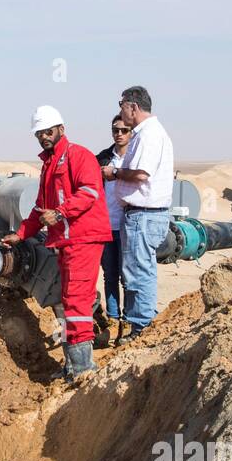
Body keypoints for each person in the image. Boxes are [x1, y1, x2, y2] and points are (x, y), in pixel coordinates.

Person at [0, 105, 111, 380]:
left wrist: (61, 213)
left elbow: (90, 192)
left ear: (61, 129)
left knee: (76, 300)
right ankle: (73, 366)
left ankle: (83, 368)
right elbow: (40, 207)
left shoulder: (79, 156)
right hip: (64, 241)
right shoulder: (49, 164)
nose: (44, 137)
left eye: (48, 131)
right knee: (68, 299)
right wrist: (21, 234)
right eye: (39, 133)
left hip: (83, 239)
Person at [107, 86, 174, 339]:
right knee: (138, 270)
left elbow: (141, 174)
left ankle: (142, 326)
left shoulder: (148, 135)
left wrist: (113, 173)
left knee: (138, 272)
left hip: (143, 215)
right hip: (142, 215)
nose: (120, 109)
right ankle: (140, 323)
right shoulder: (148, 133)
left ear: (133, 106)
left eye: (121, 104)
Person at [96, 114, 131, 345]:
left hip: (129, 227)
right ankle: (113, 319)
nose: (119, 133)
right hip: (105, 227)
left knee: (128, 276)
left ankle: (128, 323)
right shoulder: (101, 159)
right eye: (115, 129)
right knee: (109, 276)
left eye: (124, 130)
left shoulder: (137, 159)